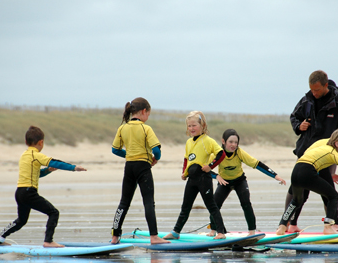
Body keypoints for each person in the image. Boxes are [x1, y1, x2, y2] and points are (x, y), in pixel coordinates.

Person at [0, 126, 87, 248]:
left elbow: (36, 174)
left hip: (20, 192)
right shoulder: (36, 155)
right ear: (41, 142)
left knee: (21, 220)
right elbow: (55, 162)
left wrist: (48, 170)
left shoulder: (24, 155)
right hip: (28, 192)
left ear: (26, 142)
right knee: (53, 212)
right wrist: (74, 168)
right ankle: (48, 241)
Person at [285, 70, 338, 232]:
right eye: (311, 90)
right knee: (299, 189)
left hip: (329, 153)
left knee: (328, 188)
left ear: (325, 85)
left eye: (317, 90)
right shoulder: (306, 100)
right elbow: (294, 116)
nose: (314, 93)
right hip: (307, 152)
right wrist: (299, 126)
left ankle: (332, 225)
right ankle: (291, 224)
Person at [110, 97, 170, 245]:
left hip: (129, 166)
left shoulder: (122, 128)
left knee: (124, 202)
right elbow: (157, 151)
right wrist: (154, 158)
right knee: (148, 202)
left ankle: (115, 236)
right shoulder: (146, 128)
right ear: (144, 111)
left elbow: (115, 150)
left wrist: (129, 155)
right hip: (143, 167)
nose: (147, 117)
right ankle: (154, 237)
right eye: (148, 114)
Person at [208, 129, 286, 235]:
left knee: (246, 203)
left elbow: (257, 164)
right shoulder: (218, 154)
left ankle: (251, 232)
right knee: (214, 204)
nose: (233, 145)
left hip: (239, 181)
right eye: (230, 142)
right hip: (224, 182)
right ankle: (213, 230)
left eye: (236, 142)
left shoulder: (239, 153)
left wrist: (275, 176)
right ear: (223, 141)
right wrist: (216, 176)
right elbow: (205, 170)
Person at [163, 111, 228, 240]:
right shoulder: (189, 142)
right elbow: (187, 159)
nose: (191, 128)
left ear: (202, 125)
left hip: (204, 178)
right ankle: (176, 232)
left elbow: (221, 154)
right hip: (192, 180)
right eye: (189, 126)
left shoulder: (207, 141)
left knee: (211, 206)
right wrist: (184, 172)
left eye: (194, 125)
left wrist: (210, 166)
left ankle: (221, 233)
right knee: (185, 206)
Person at [276, 129, 338, 236]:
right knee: (333, 196)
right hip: (308, 171)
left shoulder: (321, 145)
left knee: (296, 200)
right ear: (337, 144)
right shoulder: (333, 152)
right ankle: (328, 227)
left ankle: (281, 227)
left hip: (296, 169)